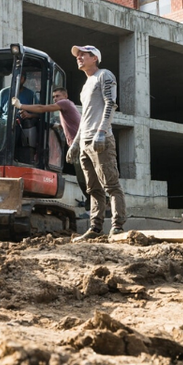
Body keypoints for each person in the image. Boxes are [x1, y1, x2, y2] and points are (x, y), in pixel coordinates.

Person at [70, 45, 126, 241]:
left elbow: (111, 103)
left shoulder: (105, 75)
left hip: (100, 138)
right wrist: (76, 143)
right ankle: (95, 228)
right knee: (92, 188)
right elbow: (85, 116)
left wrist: (102, 131)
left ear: (95, 57)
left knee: (111, 184)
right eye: (78, 55)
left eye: (83, 54)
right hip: (86, 141)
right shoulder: (85, 85)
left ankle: (117, 226)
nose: (79, 57)